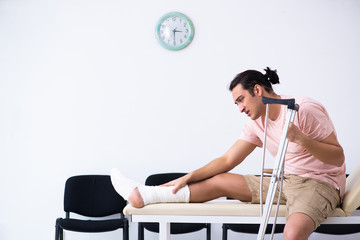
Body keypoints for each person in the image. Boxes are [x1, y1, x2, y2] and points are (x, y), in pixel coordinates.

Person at [111, 67, 346, 240]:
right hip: (285, 181)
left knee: (292, 233)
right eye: (236, 104)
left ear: (257, 90)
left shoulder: (303, 109)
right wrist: (189, 176)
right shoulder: (257, 122)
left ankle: (146, 194)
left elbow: (337, 156)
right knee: (220, 181)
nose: (240, 108)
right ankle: (144, 195)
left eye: (241, 100)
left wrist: (301, 139)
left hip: (320, 184)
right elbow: (227, 160)